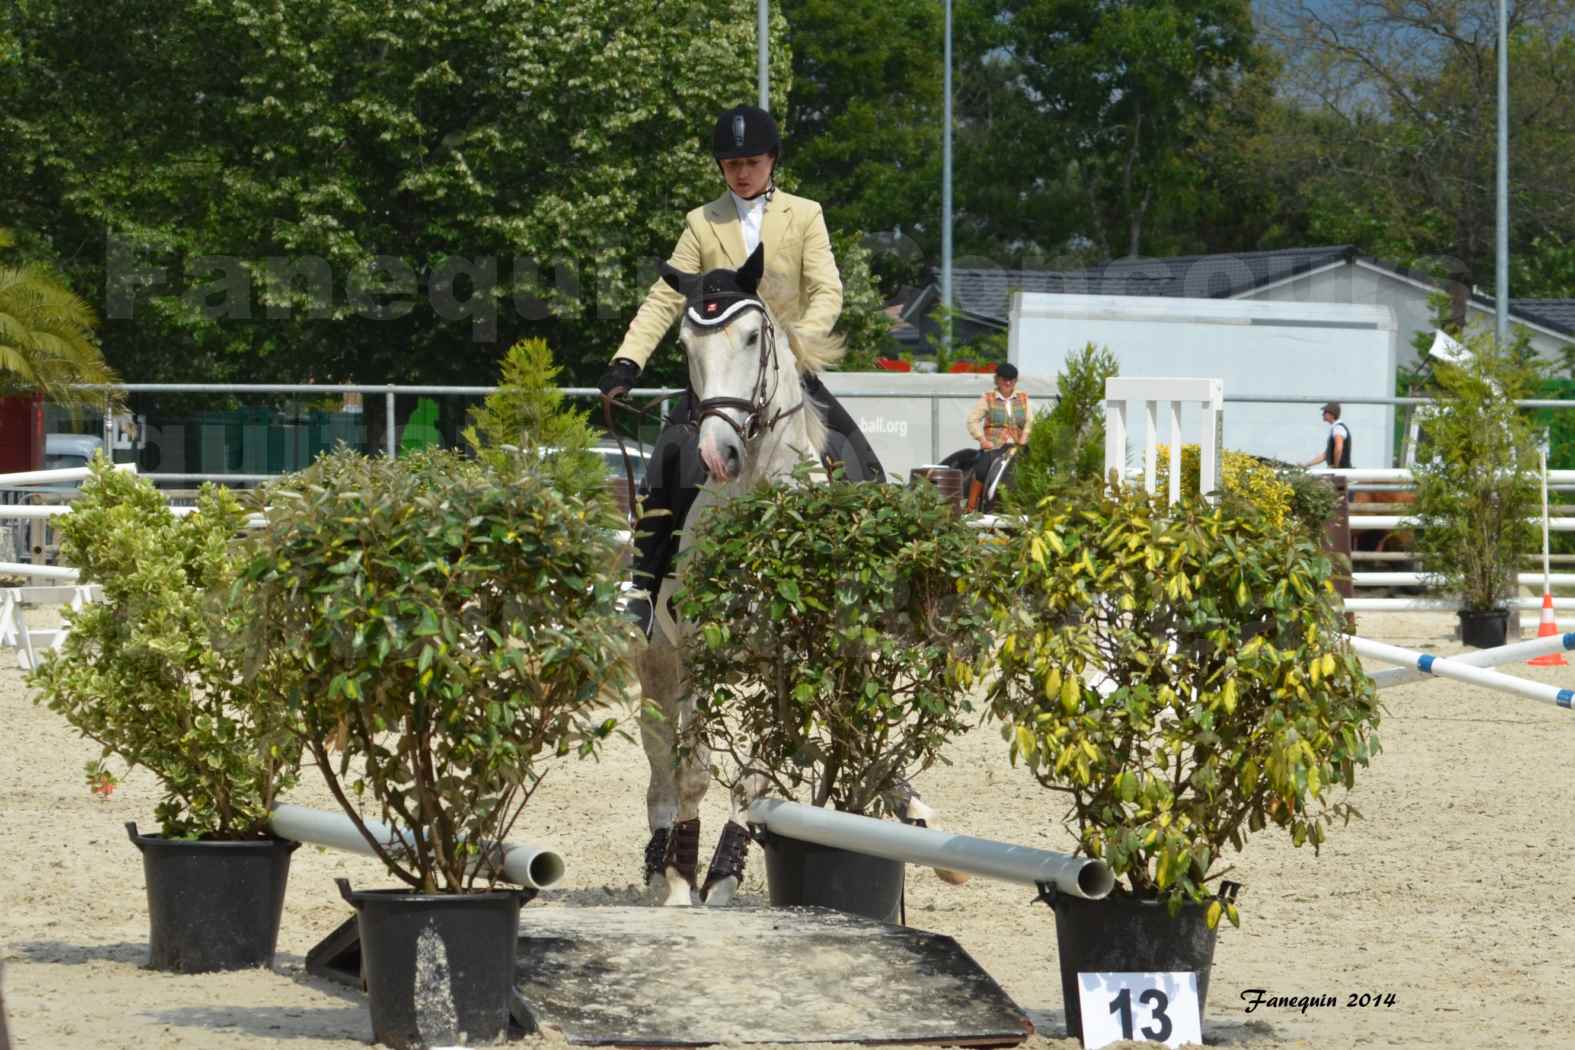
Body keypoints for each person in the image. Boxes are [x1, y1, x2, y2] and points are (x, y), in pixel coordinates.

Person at [598, 104, 884, 637]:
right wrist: (627, 360)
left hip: (787, 367)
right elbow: (665, 298)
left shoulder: (805, 214)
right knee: (668, 458)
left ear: (773, 159)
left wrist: (799, 343)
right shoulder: (701, 223)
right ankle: (640, 585)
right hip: (722, 377)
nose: (742, 172)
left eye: (751, 161)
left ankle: (873, 585)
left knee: (856, 455)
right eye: (731, 164)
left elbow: (827, 289)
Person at [964, 362, 1032, 510]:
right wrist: (982, 440)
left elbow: (1029, 421)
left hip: (1017, 445)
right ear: (998, 380)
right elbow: (972, 420)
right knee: (981, 468)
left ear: (1015, 381)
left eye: (1012, 380)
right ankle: (971, 505)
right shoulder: (987, 398)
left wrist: (1024, 438)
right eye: (1004, 379)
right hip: (995, 446)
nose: (1008, 383)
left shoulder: (1023, 398)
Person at [1305, 401, 1352, 468]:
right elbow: (1326, 455)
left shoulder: (1338, 428)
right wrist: (1307, 465)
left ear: (1332, 414)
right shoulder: (1336, 428)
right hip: (1341, 471)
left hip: (1341, 472)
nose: (1322, 414)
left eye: (1325, 412)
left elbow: (1338, 449)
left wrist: (1335, 466)